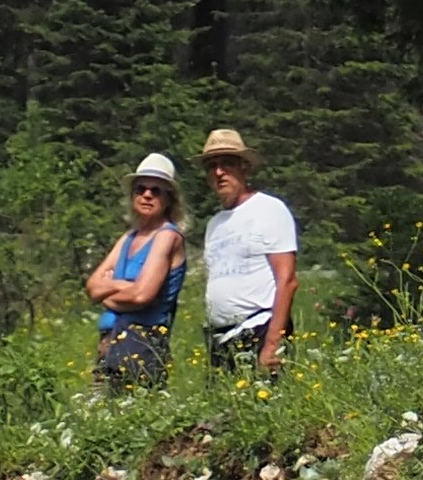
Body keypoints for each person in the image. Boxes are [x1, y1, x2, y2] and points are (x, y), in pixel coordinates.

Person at [195, 126, 298, 376]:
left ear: (244, 167)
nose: (219, 172)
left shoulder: (269, 209)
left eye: (227, 164)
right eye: (211, 166)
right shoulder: (214, 224)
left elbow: (287, 280)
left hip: (260, 329)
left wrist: (272, 344)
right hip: (221, 340)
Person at [83, 152, 189, 391]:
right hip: (109, 342)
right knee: (101, 408)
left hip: (141, 343)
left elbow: (142, 295)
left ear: (169, 199)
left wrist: (109, 290)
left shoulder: (167, 236)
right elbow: (92, 288)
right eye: (140, 189)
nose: (147, 195)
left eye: (156, 190)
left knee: (134, 407)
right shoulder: (128, 237)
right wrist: (125, 286)